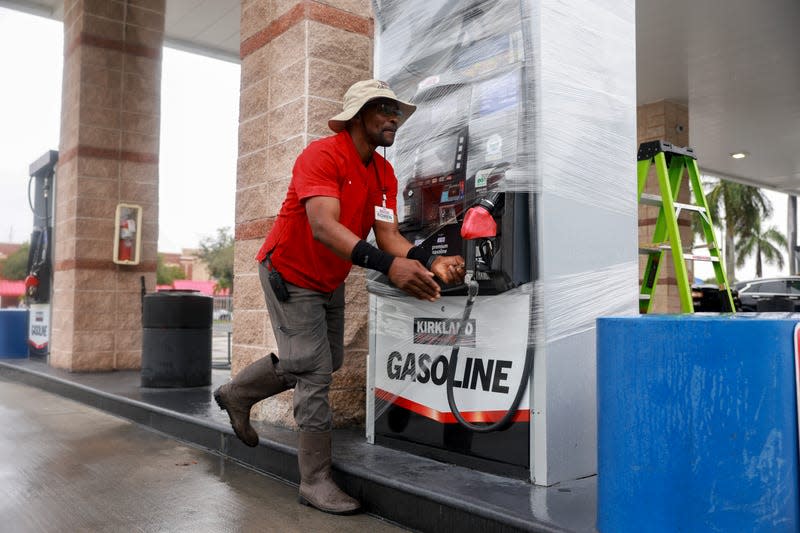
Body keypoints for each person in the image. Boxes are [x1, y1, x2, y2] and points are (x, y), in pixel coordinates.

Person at [213, 79, 466, 515]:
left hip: (327, 278)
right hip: (288, 271)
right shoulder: (321, 155)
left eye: (396, 112)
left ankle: (237, 394)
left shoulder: (384, 173)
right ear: (357, 115)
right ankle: (315, 480)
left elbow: (387, 235)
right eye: (384, 109)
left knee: (322, 359)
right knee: (313, 369)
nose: (393, 119)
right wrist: (391, 267)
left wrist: (429, 261)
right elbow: (323, 227)